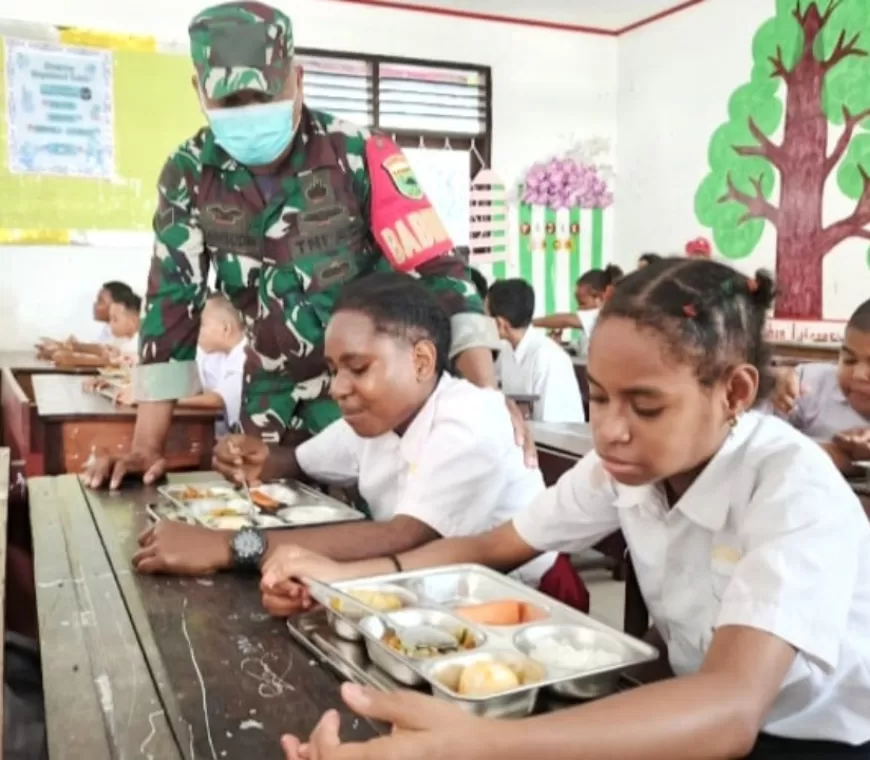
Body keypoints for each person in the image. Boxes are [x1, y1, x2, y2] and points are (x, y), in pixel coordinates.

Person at [266, 258, 870, 760]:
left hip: (806, 736)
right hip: (693, 701)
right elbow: (490, 546)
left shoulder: (793, 489)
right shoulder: (626, 470)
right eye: (599, 398)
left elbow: (733, 709)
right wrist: (340, 582)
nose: (610, 431)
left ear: (734, 393)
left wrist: (479, 743)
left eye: (646, 406)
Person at [83, 0, 525, 491]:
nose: (249, 114)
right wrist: (147, 446)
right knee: (260, 537)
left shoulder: (358, 154)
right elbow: (170, 307)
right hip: (267, 410)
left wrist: (486, 401)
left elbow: (439, 272)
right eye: (230, 104)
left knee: (368, 541)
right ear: (198, 92)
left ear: (297, 79)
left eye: (264, 95)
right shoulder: (189, 174)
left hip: (369, 404)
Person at [132, 274, 575, 606]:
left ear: (421, 360)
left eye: (358, 368)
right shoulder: (379, 416)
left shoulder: (470, 418)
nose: (338, 387)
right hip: (424, 584)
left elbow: (404, 538)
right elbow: (300, 462)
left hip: (526, 596)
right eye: (333, 370)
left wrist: (228, 546)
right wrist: (259, 457)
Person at [114, 294, 246, 432]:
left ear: (226, 329)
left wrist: (155, 397)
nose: (193, 332)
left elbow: (217, 400)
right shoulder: (217, 353)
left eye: (201, 325)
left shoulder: (244, 357)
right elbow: (195, 387)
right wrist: (142, 388)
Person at [770, 297, 870, 472]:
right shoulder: (807, 384)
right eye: (849, 360)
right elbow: (754, 442)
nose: (859, 374)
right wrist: (834, 452)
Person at [488, 278, 585, 423]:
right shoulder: (507, 350)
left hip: (552, 440)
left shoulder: (548, 357)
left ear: (501, 324)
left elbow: (551, 427)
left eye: (485, 316)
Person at [532, 265, 623, 355]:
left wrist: (529, 323)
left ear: (600, 298)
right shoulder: (589, 328)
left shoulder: (601, 316)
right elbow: (577, 350)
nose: (578, 308)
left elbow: (565, 320)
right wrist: (556, 345)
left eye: (582, 303)